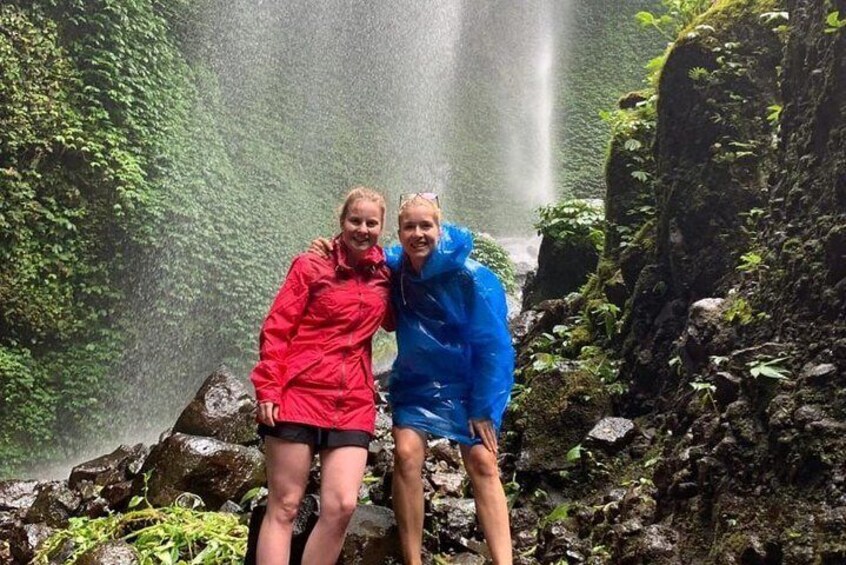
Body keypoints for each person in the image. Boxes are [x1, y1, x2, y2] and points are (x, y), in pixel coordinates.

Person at [311, 193, 514, 564]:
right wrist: (331, 246)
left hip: (469, 384)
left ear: (440, 227)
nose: (418, 234)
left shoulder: (470, 277)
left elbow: (495, 346)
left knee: (483, 461)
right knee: (406, 453)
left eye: (426, 226)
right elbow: (362, 252)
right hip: (417, 384)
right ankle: (412, 559)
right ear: (400, 232)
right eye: (410, 227)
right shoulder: (395, 268)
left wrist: (484, 407)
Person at [250, 187, 392, 565]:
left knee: (343, 506)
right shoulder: (310, 265)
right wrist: (268, 386)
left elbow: (402, 313)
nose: (362, 229)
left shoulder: (386, 276)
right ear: (341, 222)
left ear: (382, 227)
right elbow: (277, 327)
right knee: (285, 505)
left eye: (371, 222)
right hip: (298, 394)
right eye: (355, 220)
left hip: (352, 401)